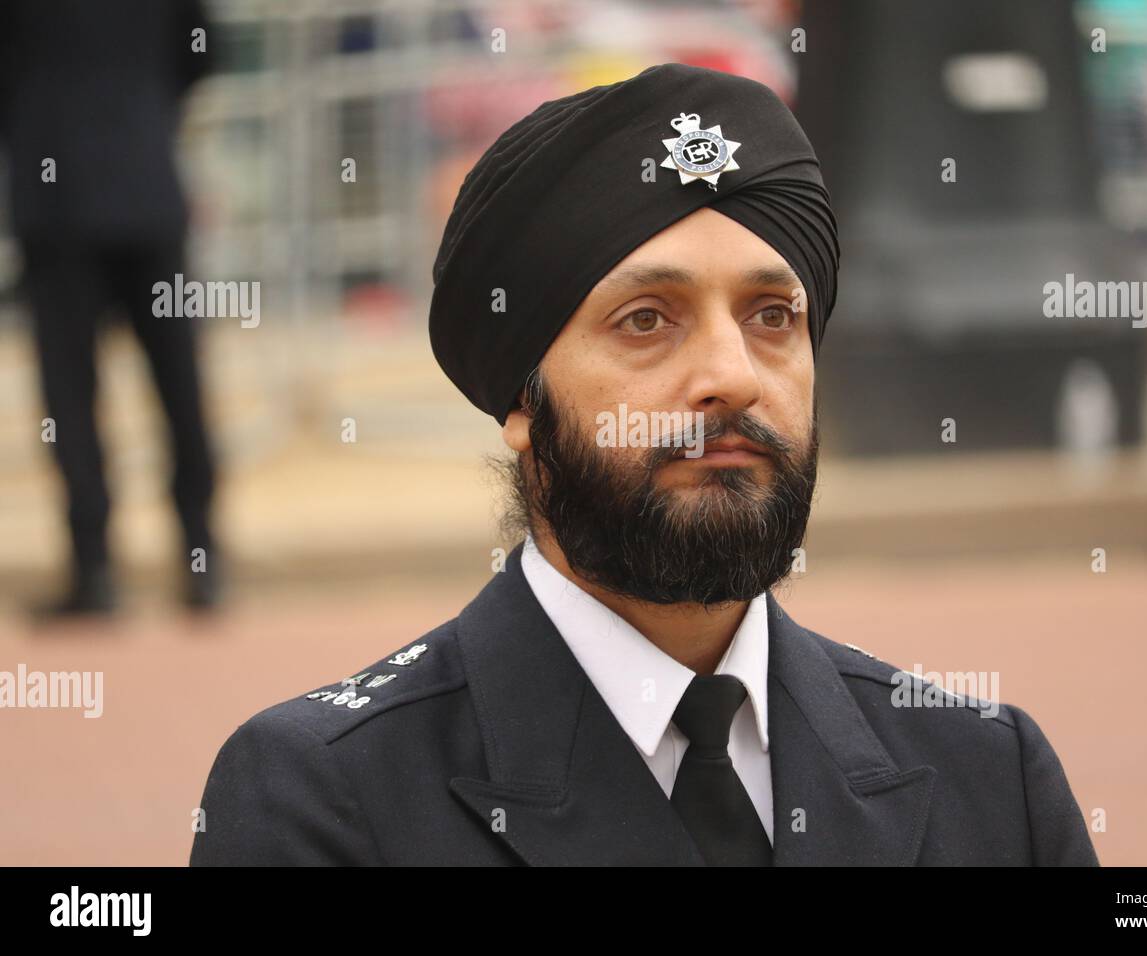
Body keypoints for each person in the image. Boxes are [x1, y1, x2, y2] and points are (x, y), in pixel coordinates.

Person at [189, 62, 1099, 866]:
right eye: (647, 321)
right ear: (521, 400)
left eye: (772, 316)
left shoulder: (987, 772)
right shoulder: (325, 799)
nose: (731, 378)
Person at [0, 0, 222, 617]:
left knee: (70, 394)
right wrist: (143, 108)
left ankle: (93, 570)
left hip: (56, 200)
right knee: (180, 384)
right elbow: (203, 52)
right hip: (146, 181)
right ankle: (203, 561)